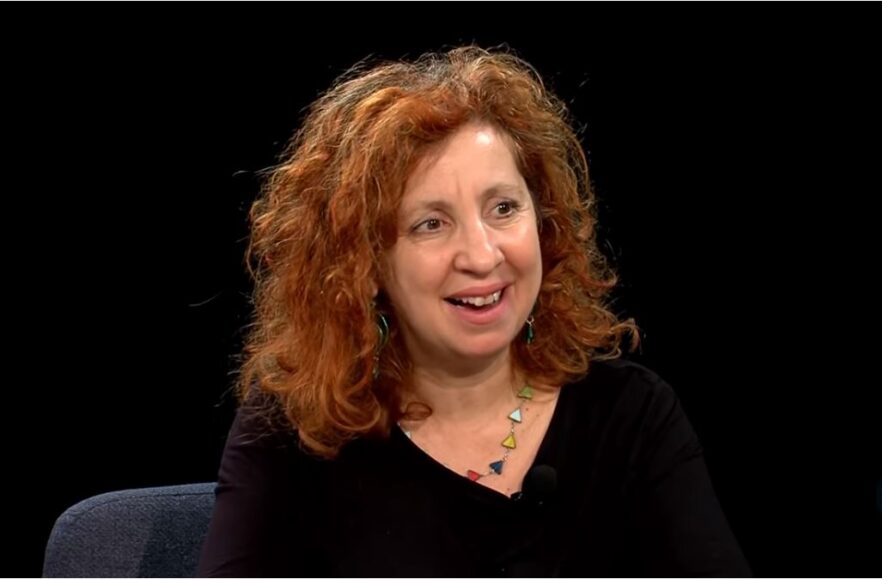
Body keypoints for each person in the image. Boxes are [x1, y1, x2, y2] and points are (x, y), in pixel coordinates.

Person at [199, 46, 750, 577]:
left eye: (503, 208)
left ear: (544, 223)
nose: (482, 256)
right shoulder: (294, 432)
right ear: (363, 264)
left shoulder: (632, 416)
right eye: (430, 224)